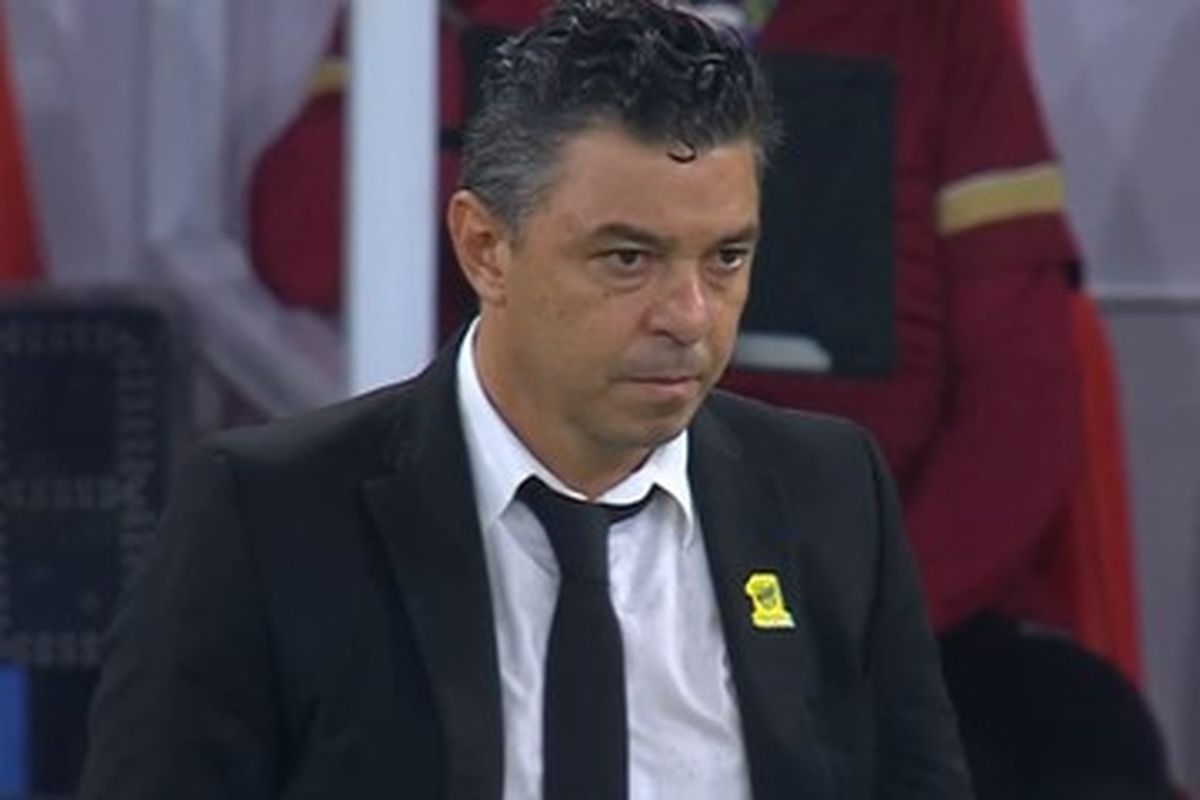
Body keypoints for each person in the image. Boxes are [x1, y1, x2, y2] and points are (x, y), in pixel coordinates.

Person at [79, 2, 972, 797]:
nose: (690, 316)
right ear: (485, 248)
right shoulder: (267, 518)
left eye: (725, 259)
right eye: (628, 258)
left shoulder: (831, 497)